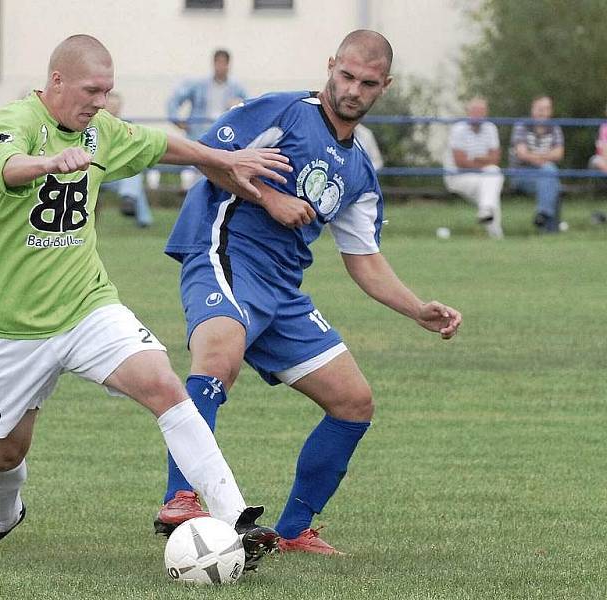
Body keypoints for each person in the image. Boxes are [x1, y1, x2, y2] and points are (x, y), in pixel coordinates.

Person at [0, 35, 294, 571]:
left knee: (163, 383)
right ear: (57, 81)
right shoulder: (15, 119)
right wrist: (47, 163)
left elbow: (161, 146)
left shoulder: (101, 130)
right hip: (13, 326)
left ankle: (235, 519)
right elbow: (3, 167)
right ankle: (2, 516)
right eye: (91, 91)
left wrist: (223, 159)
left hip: (88, 306)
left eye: (108, 92)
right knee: (4, 452)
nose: (100, 103)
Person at [154, 30, 462, 555]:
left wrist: (417, 309)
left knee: (353, 402)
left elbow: (363, 258)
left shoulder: (361, 170)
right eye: (345, 76)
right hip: (224, 254)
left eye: (367, 83)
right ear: (330, 67)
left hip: (282, 289)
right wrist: (270, 198)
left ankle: (293, 529)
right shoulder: (284, 113)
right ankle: (182, 495)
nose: (353, 90)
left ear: (383, 87)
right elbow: (205, 155)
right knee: (219, 354)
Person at [167, 49, 248, 191]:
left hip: (223, 135)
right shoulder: (198, 85)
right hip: (199, 133)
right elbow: (174, 100)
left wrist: (238, 104)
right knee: (195, 167)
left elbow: (248, 108)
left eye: (224, 63)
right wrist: (177, 120)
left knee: (220, 171)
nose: (221, 66)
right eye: (218, 62)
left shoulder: (236, 88)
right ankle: (191, 198)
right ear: (213, 63)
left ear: (229, 65)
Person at [443, 97, 504, 239]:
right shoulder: (458, 129)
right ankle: (496, 235)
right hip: (458, 177)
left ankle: (486, 213)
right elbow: (460, 162)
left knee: (494, 173)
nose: (477, 115)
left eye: (481, 112)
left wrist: (474, 159)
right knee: (491, 185)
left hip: (482, 175)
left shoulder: (490, 128)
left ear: (486, 113)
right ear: (468, 112)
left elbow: (495, 159)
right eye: (474, 111)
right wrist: (483, 160)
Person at [509, 95, 564, 233]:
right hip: (522, 175)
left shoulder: (555, 128)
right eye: (539, 109)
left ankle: (543, 217)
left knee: (549, 175)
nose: (542, 112)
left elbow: (559, 154)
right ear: (532, 110)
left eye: (546, 109)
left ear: (550, 111)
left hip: (545, 174)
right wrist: (543, 158)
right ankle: (550, 228)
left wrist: (534, 156)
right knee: (551, 178)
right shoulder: (521, 125)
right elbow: (522, 153)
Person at [100, 92, 153, 227]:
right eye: (111, 105)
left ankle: (129, 202)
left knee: (133, 174)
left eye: (117, 106)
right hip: (94, 172)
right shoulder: (93, 124)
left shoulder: (127, 126)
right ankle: (131, 202)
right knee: (133, 181)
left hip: (115, 173)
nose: (114, 109)